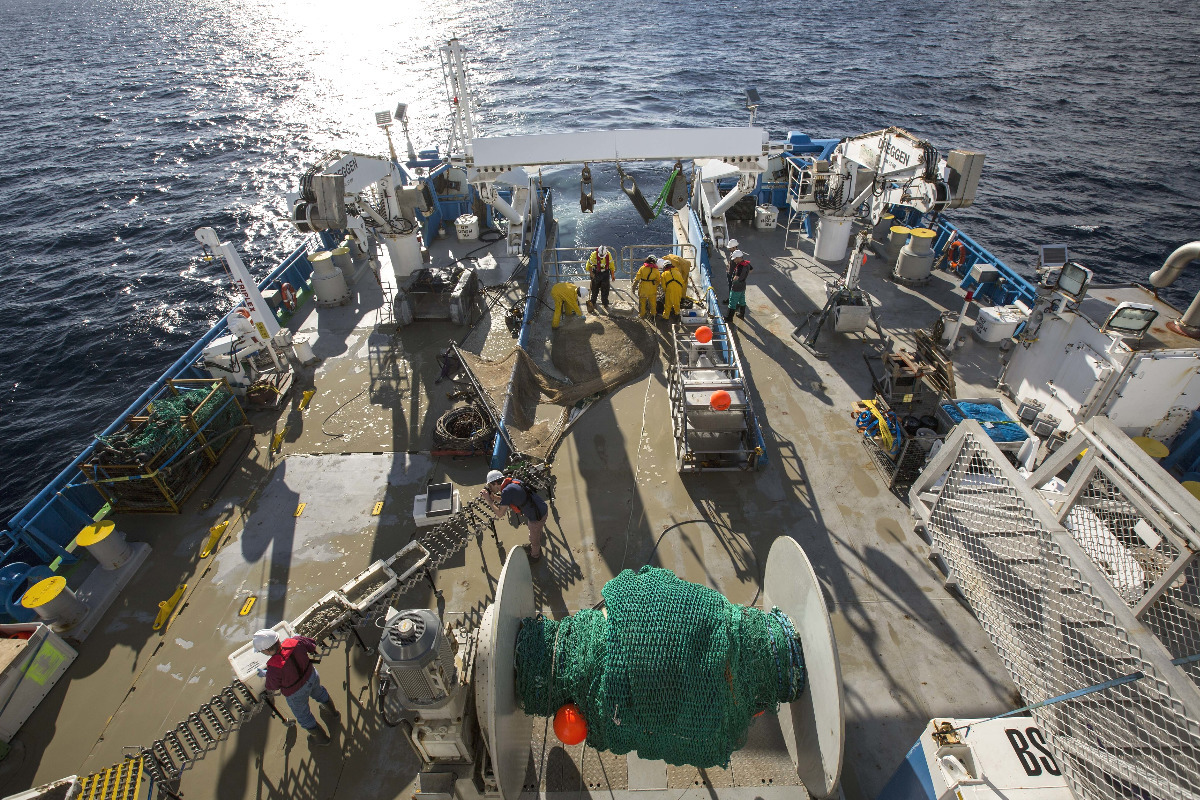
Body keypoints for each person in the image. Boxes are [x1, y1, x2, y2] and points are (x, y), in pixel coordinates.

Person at [254, 629, 339, 746]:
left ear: (267, 651)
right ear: (278, 639)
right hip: (311, 677)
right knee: (320, 692)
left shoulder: (273, 667)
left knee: (304, 716)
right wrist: (299, 639)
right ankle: (334, 713)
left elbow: (272, 686)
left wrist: (267, 674)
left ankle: (322, 740)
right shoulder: (295, 641)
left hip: (295, 693)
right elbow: (312, 645)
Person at [479, 469, 549, 560]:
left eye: (490, 486)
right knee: (537, 531)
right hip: (541, 508)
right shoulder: (512, 483)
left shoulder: (507, 491)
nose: (490, 488)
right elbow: (508, 500)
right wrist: (494, 497)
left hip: (537, 516)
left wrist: (489, 500)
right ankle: (534, 546)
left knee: (533, 537)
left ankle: (535, 555)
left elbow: (500, 514)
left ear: (496, 483)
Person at [585, 245, 616, 312]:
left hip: (605, 273)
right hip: (596, 273)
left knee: (605, 289)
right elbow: (589, 265)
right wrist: (591, 273)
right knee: (594, 288)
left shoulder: (608, 255)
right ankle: (593, 302)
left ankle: (605, 303)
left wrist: (612, 275)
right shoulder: (593, 255)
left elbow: (611, 265)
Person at [725, 253, 753, 322]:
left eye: (735, 258)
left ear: (738, 257)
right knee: (742, 300)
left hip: (736, 287)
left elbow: (736, 277)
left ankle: (729, 318)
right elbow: (751, 270)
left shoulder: (740, 267)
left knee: (732, 301)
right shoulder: (746, 264)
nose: (734, 260)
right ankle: (741, 314)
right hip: (743, 285)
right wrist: (744, 275)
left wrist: (734, 280)